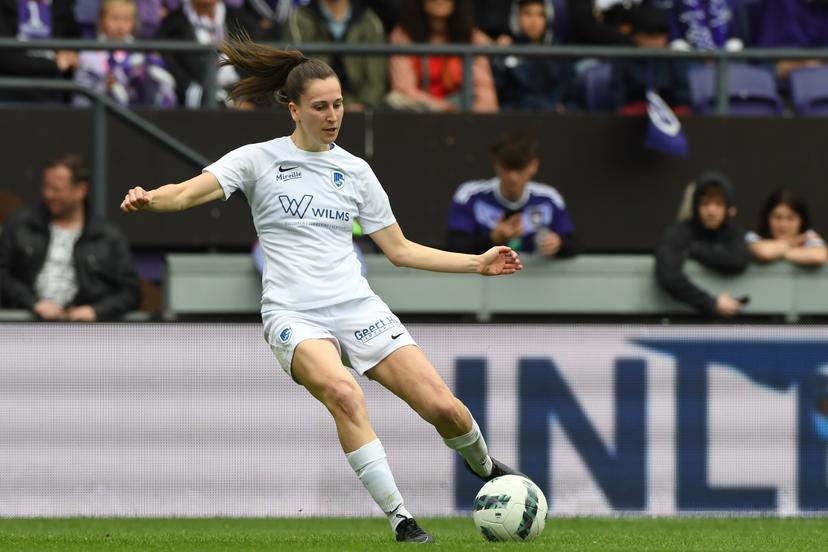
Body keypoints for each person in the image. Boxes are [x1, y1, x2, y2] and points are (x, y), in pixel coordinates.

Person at [119, 36, 523, 543]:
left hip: (357, 307)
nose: (333, 116)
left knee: (445, 409)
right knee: (343, 392)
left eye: (338, 105)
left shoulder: (355, 171)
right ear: (293, 109)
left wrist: (477, 264)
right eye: (320, 107)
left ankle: (485, 470)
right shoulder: (257, 160)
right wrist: (149, 199)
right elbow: (185, 193)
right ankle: (402, 518)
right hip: (294, 314)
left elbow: (399, 250)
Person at [0, 155, 141, 321]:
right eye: (46, 187)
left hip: (84, 333)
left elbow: (131, 292)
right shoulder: (20, 224)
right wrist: (33, 303)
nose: (48, 195)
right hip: (23, 326)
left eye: (57, 190)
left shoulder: (107, 236)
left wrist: (95, 311)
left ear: (81, 190)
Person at [446, 132, 580, 258]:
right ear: (496, 164)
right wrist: (492, 239)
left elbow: (574, 243)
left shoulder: (549, 199)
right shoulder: (470, 196)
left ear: (534, 165)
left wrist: (559, 244)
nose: (513, 177)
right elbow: (454, 247)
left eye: (520, 168)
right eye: (507, 168)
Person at [654, 171, 751, 318]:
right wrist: (711, 303)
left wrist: (696, 250)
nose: (711, 211)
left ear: (728, 208)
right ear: (695, 206)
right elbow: (669, 277)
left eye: (719, 204)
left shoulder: (733, 231)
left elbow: (738, 260)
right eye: (705, 203)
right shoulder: (678, 232)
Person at [387, 0, 498, 113]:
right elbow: (404, 88)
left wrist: (473, 119)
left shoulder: (471, 36)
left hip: (461, 111)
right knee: (395, 99)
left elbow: (485, 91)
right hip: (421, 110)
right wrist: (444, 109)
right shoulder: (403, 35)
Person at [284, 0, 388, 110]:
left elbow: (376, 77)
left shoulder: (369, 21)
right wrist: (317, 105)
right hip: (314, 106)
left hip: (360, 109)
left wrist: (364, 104)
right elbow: (296, 73)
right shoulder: (300, 18)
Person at [155, 0, 261, 107]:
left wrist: (251, 102)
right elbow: (181, 83)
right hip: (200, 112)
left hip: (249, 107)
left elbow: (262, 69)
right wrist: (228, 105)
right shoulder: (171, 28)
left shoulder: (244, 21)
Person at [73, 0, 178, 108]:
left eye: (126, 19)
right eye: (114, 18)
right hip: (100, 116)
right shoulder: (88, 55)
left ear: (134, 23)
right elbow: (80, 101)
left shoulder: (142, 53)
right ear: (101, 21)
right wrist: (104, 88)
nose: (120, 25)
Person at [492, 0, 572, 111]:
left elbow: (570, 95)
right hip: (514, 120)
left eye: (540, 15)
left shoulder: (559, 52)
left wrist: (561, 108)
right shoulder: (505, 51)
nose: (534, 21)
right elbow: (498, 94)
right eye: (527, 14)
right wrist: (498, 59)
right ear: (516, 17)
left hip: (553, 119)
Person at [746, 188, 828, 267]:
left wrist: (777, 252)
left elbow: (819, 256)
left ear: (801, 220)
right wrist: (792, 242)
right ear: (767, 218)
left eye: (790, 218)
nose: (783, 224)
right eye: (777, 217)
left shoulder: (808, 236)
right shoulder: (753, 236)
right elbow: (764, 252)